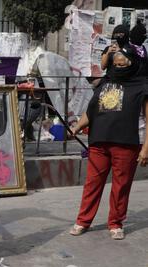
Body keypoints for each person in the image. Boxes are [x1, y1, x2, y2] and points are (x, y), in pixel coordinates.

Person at [69, 47, 148, 240]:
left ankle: (115, 223)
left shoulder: (142, 86)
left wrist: (146, 149)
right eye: (116, 64)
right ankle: (83, 221)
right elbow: (91, 111)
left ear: (133, 64)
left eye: (123, 64)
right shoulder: (105, 83)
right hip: (99, 141)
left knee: (121, 186)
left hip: (127, 143)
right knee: (92, 183)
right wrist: (76, 127)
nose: (119, 67)